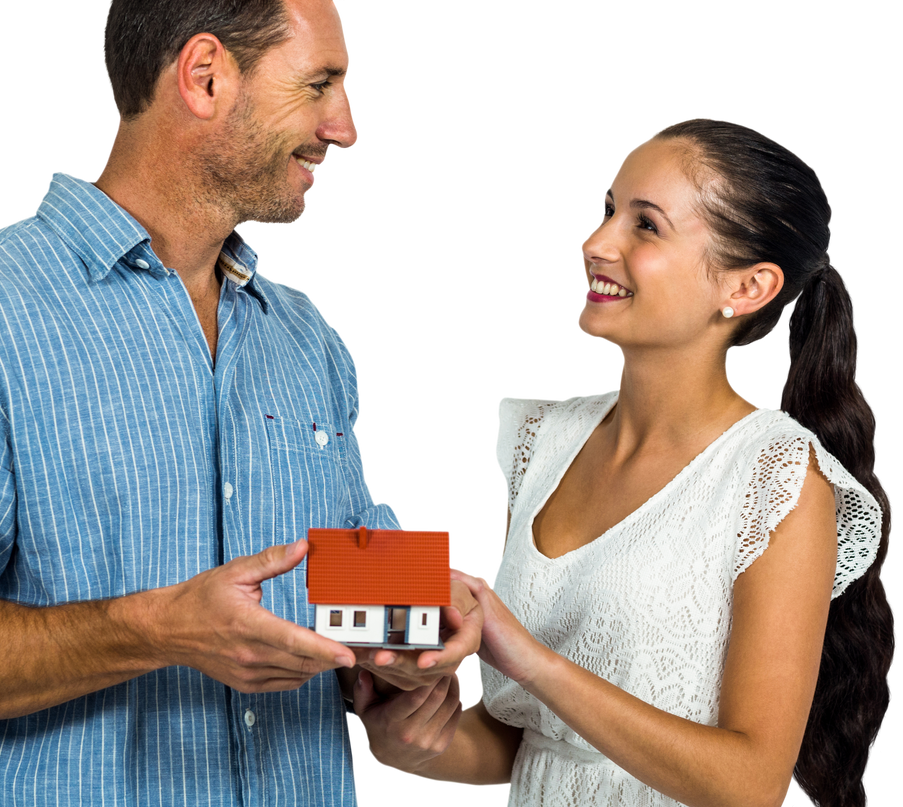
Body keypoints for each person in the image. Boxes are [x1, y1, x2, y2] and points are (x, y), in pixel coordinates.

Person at [0, 0, 479, 805]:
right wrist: (158, 629)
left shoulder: (306, 334)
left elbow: (346, 578)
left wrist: (418, 632)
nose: (348, 127)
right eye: (321, 84)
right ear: (205, 76)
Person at [352, 117, 896, 806]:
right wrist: (410, 741)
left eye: (646, 226)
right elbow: (527, 744)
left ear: (749, 286)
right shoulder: (540, 439)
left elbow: (751, 783)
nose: (595, 242)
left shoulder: (780, 477)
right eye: (608, 210)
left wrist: (528, 656)